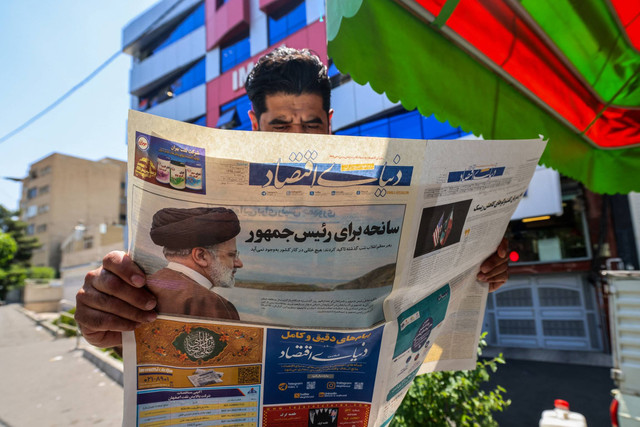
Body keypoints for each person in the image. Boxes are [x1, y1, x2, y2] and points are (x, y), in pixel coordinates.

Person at [75, 47, 509, 348]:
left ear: (331, 121)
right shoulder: (204, 214)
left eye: (312, 124)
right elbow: (148, 336)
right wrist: (108, 316)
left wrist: (473, 261)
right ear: (254, 122)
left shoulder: (375, 192)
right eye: (281, 125)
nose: (298, 139)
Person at [145, 207, 242, 319]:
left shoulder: (145, 287)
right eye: (231, 255)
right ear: (201, 256)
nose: (239, 263)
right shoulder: (212, 305)